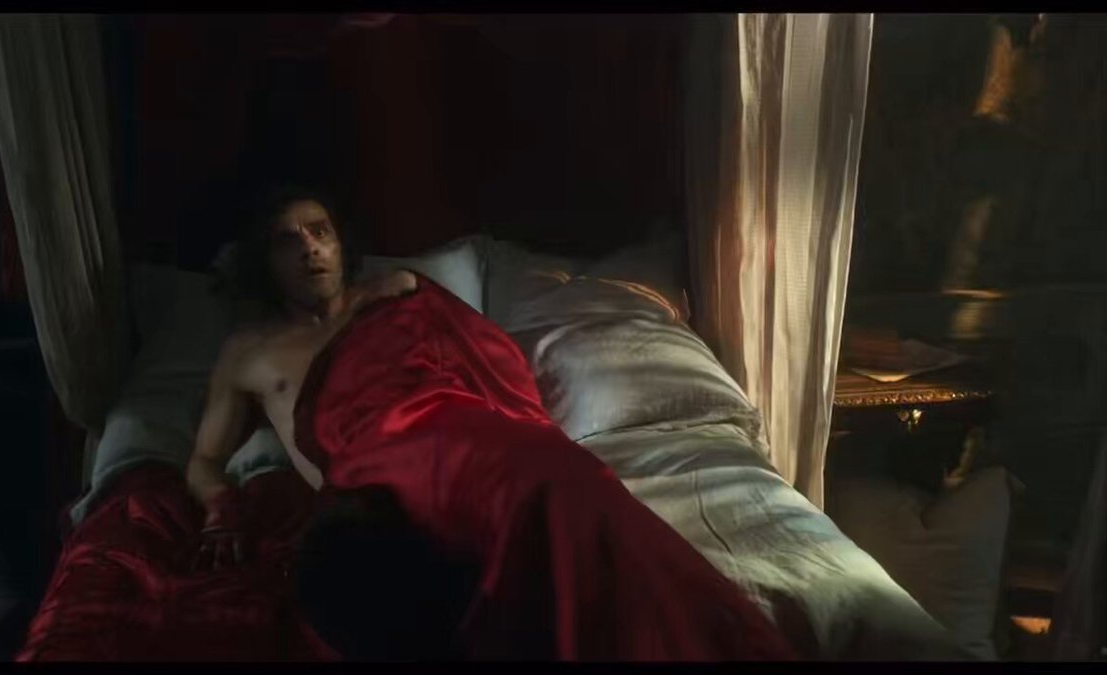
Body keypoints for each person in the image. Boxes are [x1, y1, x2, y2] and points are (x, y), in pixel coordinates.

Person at [186, 184, 796, 661]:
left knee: (568, 482)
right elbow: (205, 460)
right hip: (367, 483)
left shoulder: (397, 293)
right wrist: (220, 510)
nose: (309, 248)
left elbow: (491, 362)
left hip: (464, 437)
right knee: (377, 579)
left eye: (319, 231)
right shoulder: (248, 351)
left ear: (342, 242)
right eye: (286, 240)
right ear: (264, 261)